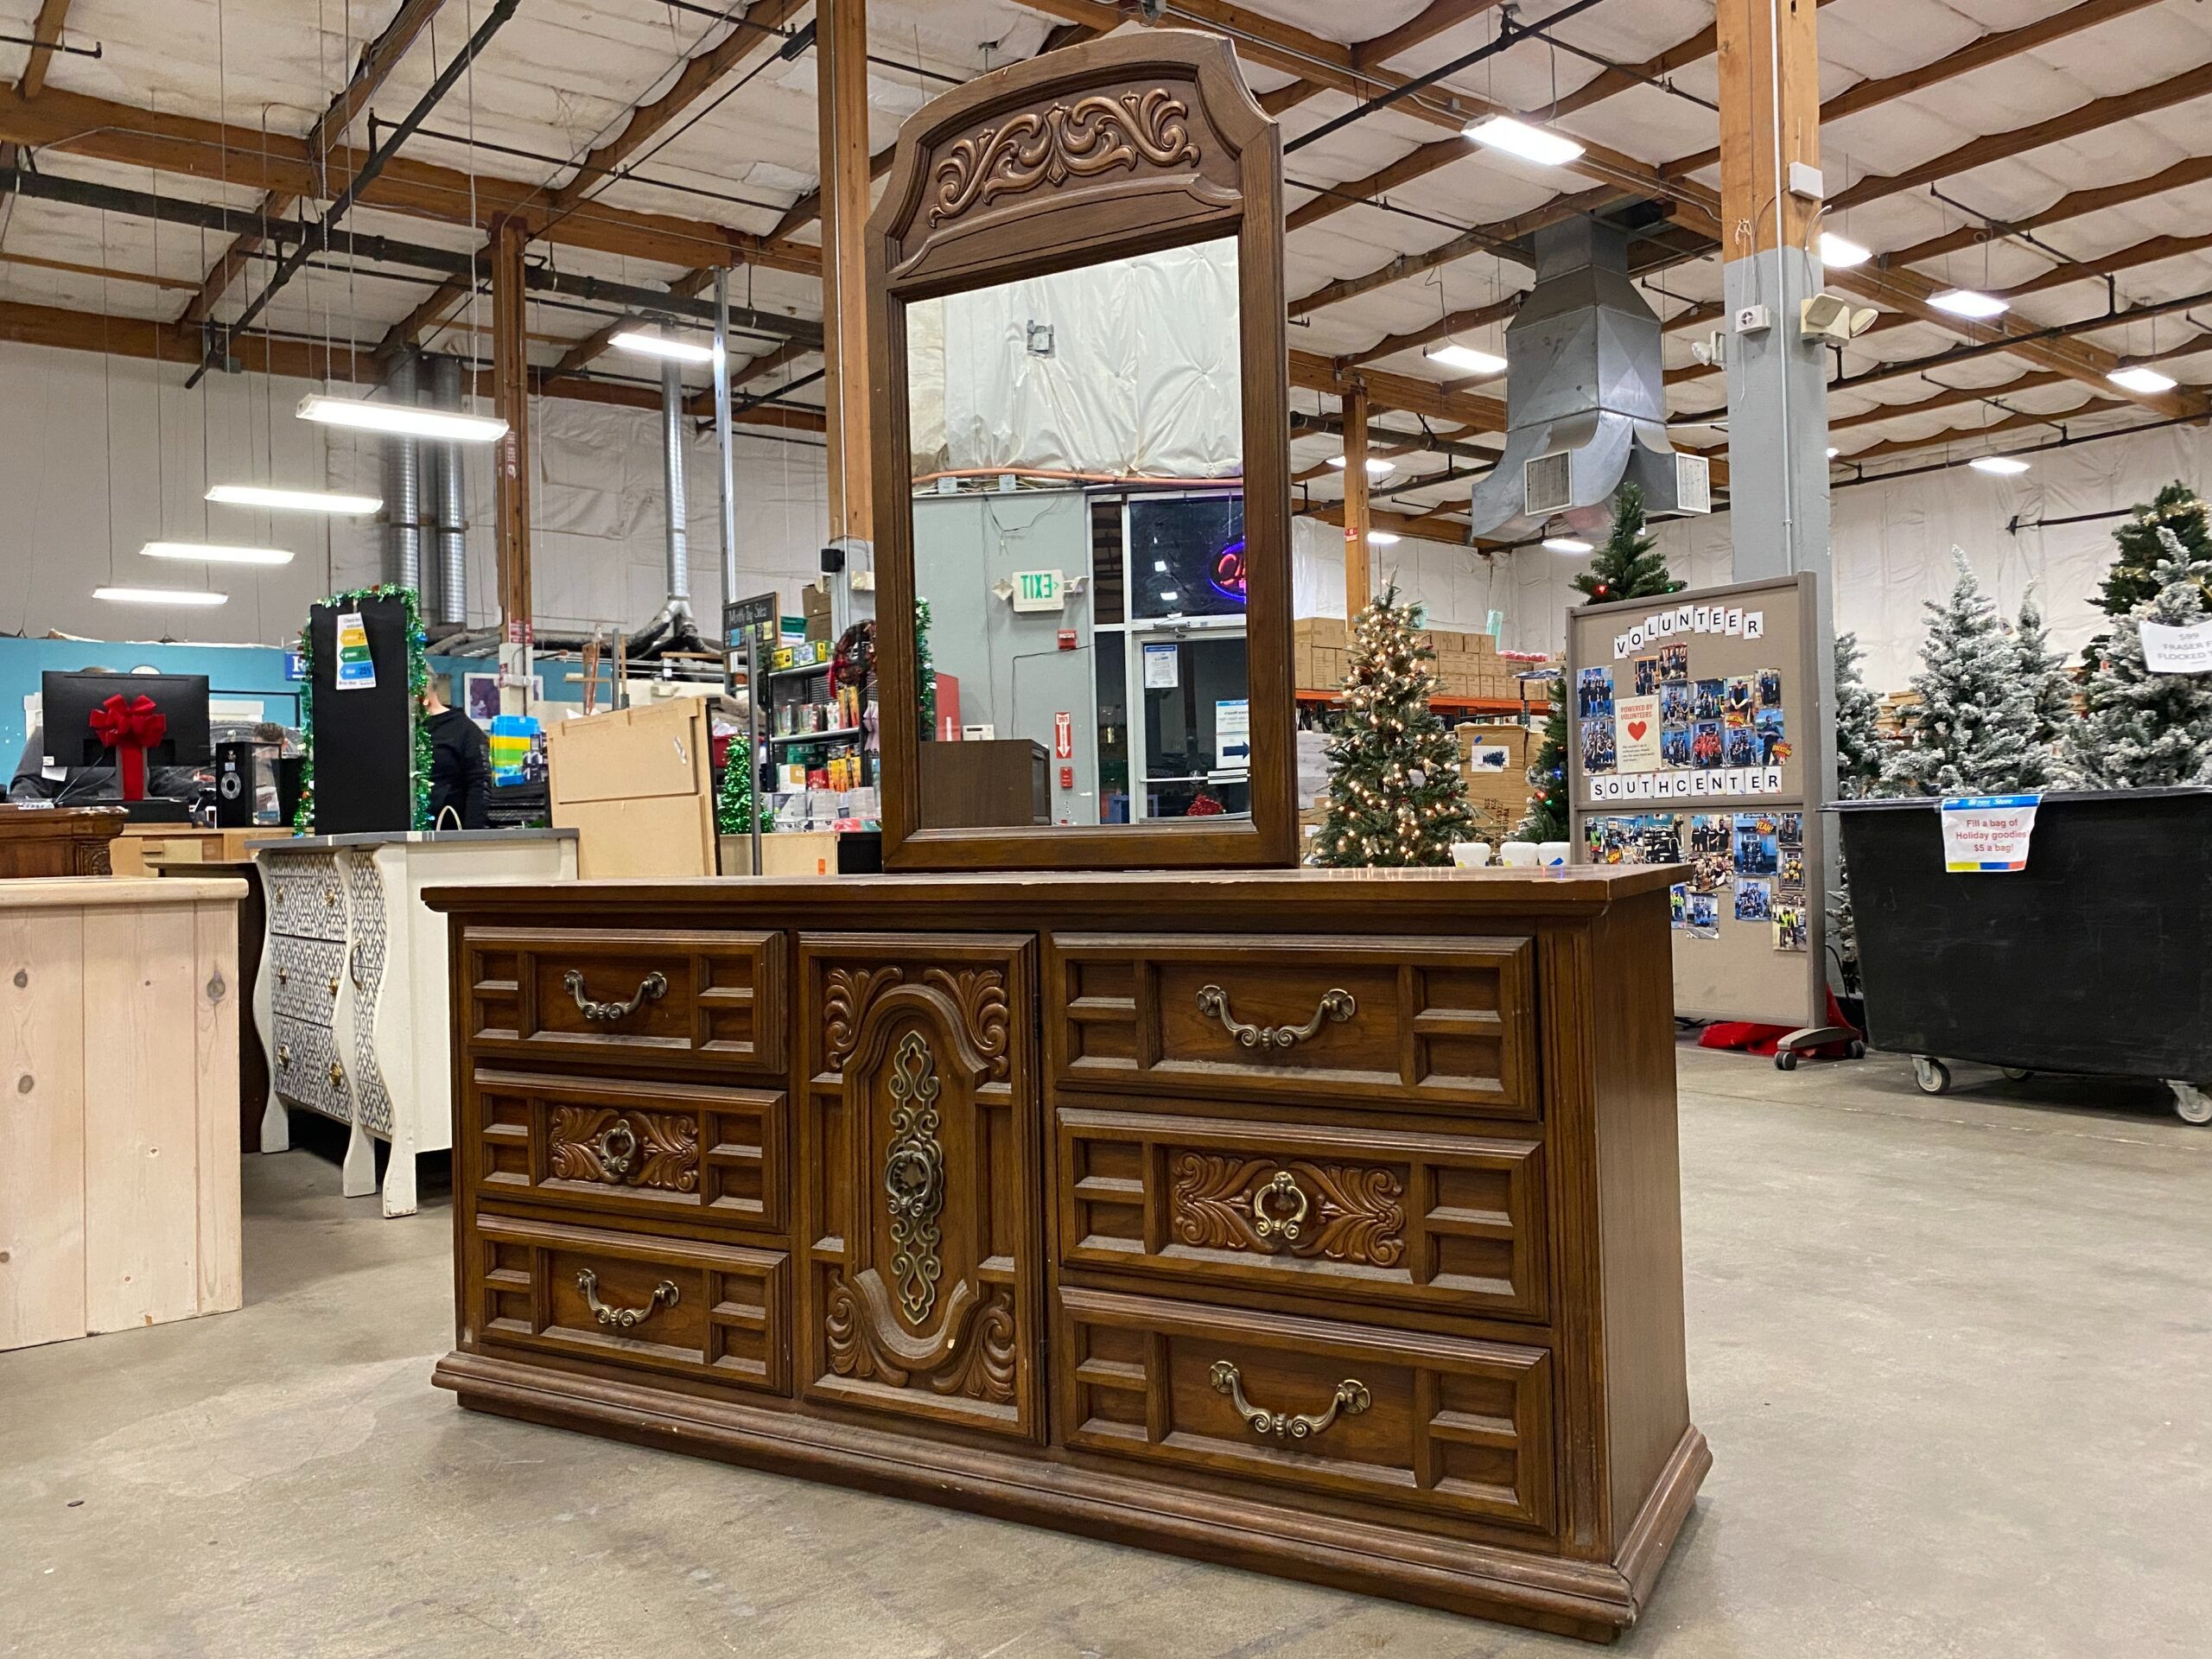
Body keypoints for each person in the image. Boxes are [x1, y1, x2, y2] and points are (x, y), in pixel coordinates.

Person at [10, 665, 206, 806]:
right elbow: (26, 791)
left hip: (142, 826)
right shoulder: (49, 735)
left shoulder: (136, 737)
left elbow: (161, 783)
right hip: (81, 829)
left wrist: (207, 790)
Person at [423, 672, 493, 829]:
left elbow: (480, 784)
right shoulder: (407, 729)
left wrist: (470, 836)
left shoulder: (465, 730)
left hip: (449, 830)